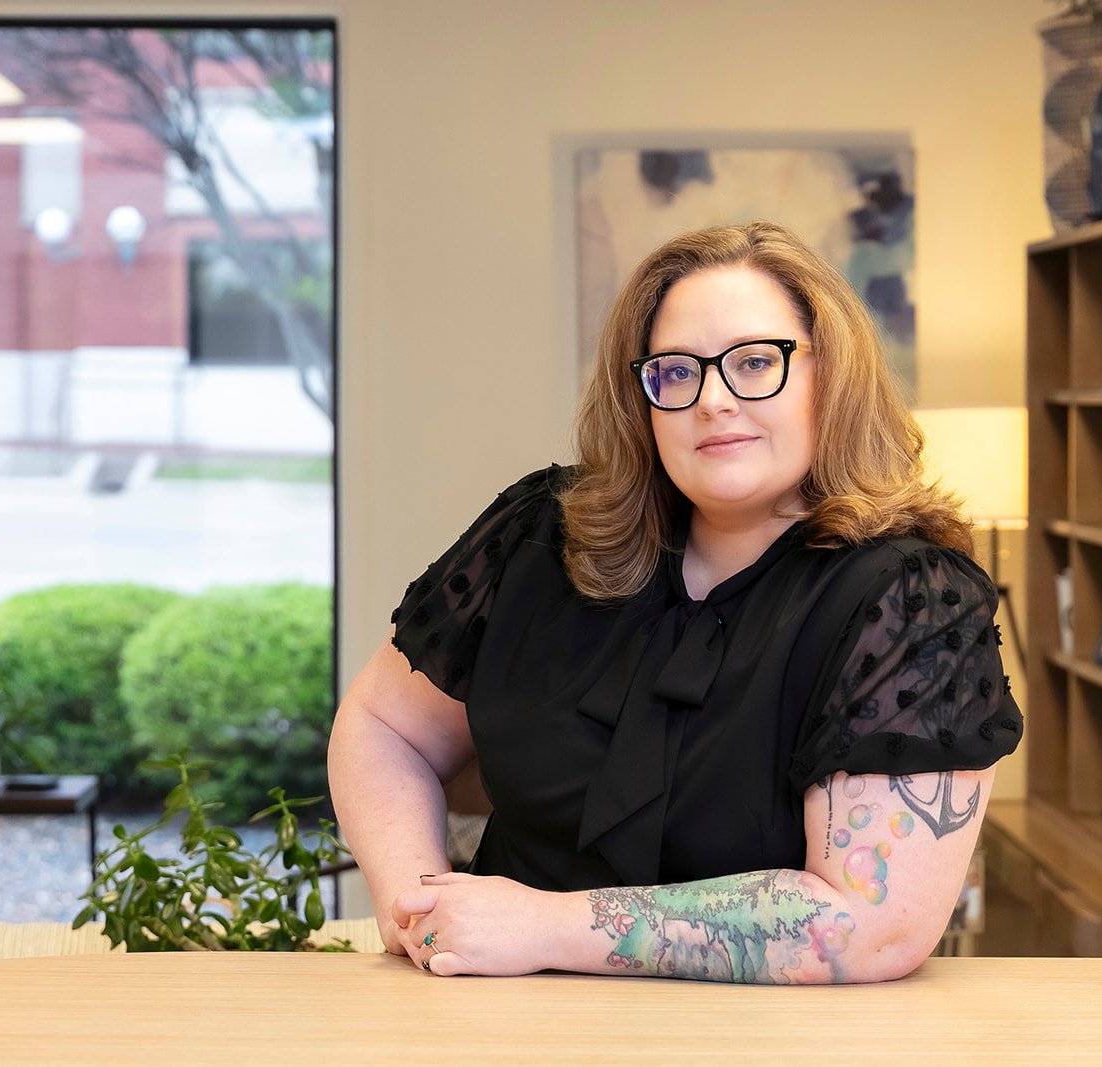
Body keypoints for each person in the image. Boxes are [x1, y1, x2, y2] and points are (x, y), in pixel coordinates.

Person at [326, 221, 1022, 984]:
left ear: (833, 375)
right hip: (490, 1016)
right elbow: (384, 726)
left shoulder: (912, 605)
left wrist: (544, 927)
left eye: (757, 361)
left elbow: (869, 925)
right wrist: (420, 907)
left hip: (766, 1046)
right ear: (645, 395)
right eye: (677, 370)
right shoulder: (539, 535)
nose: (714, 400)